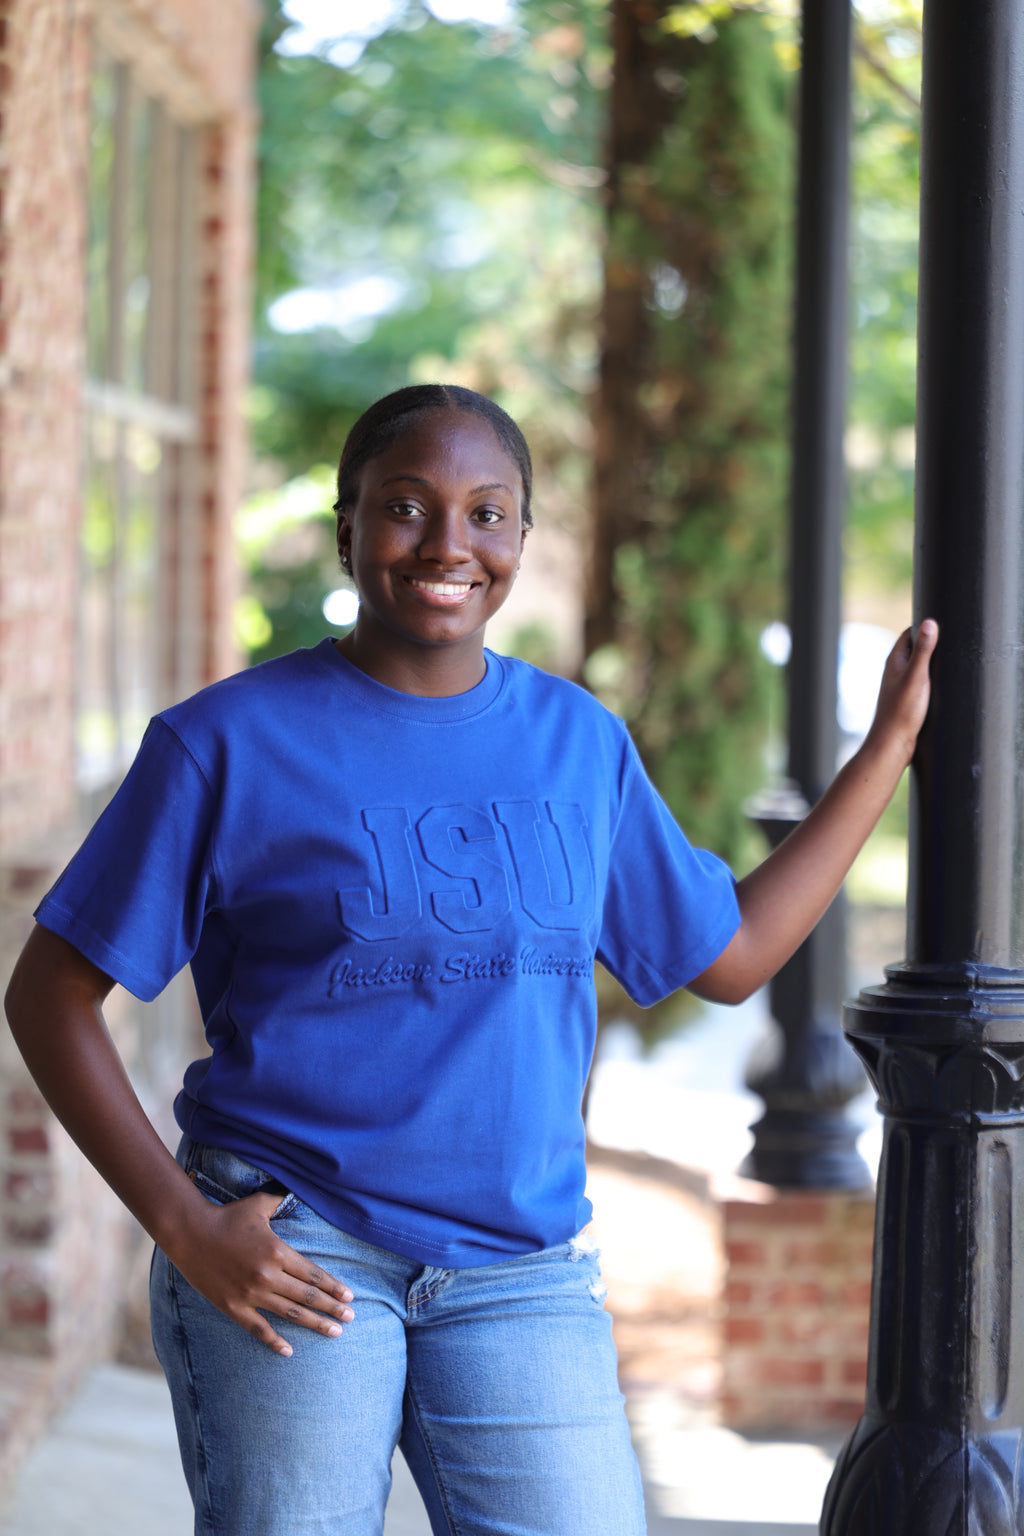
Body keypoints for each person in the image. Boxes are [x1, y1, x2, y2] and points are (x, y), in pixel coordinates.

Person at [5, 384, 937, 1536]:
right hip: (296, 1244)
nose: (448, 543)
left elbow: (731, 956)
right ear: (348, 527)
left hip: (519, 1268)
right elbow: (49, 993)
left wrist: (886, 748)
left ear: (520, 540)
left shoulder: (576, 742)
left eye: (486, 513)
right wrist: (182, 1224)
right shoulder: (226, 743)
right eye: (406, 506)